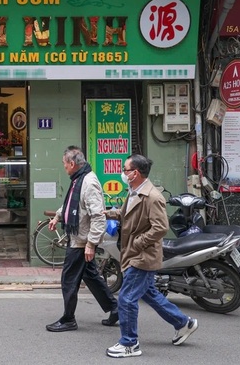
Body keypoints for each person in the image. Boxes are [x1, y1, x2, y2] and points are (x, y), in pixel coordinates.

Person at [105, 154, 198, 358]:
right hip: (133, 253)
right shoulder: (134, 192)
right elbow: (125, 214)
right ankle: (183, 323)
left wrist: (137, 244)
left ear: (135, 173)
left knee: (126, 299)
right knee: (151, 295)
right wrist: (106, 213)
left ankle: (130, 343)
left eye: (125, 169)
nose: (123, 173)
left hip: (142, 256)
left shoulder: (153, 197)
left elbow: (160, 228)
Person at [45, 146, 119, 333]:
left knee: (69, 279)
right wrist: (57, 217)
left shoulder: (88, 182)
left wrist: (91, 244)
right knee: (91, 276)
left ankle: (68, 319)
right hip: (79, 238)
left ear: (72, 163)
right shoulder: (78, 179)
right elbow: (71, 205)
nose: (64, 167)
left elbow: (98, 216)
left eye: (64, 164)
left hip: (81, 241)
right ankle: (116, 308)